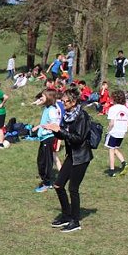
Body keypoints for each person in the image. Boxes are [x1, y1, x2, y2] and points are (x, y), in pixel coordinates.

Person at [43, 88, 92, 232]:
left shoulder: (82, 116)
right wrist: (54, 130)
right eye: (62, 101)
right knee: (58, 185)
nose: (63, 104)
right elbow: (64, 135)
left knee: (73, 188)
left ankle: (75, 222)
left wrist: (60, 131)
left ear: (74, 102)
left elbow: (78, 138)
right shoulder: (68, 115)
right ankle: (66, 215)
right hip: (72, 155)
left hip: (82, 157)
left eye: (66, 102)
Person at [105, 90, 128, 176]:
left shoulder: (112, 108)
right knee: (115, 148)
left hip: (114, 132)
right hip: (122, 132)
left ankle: (112, 171)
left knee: (111, 150)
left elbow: (112, 123)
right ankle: (124, 163)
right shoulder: (126, 109)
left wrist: (107, 130)